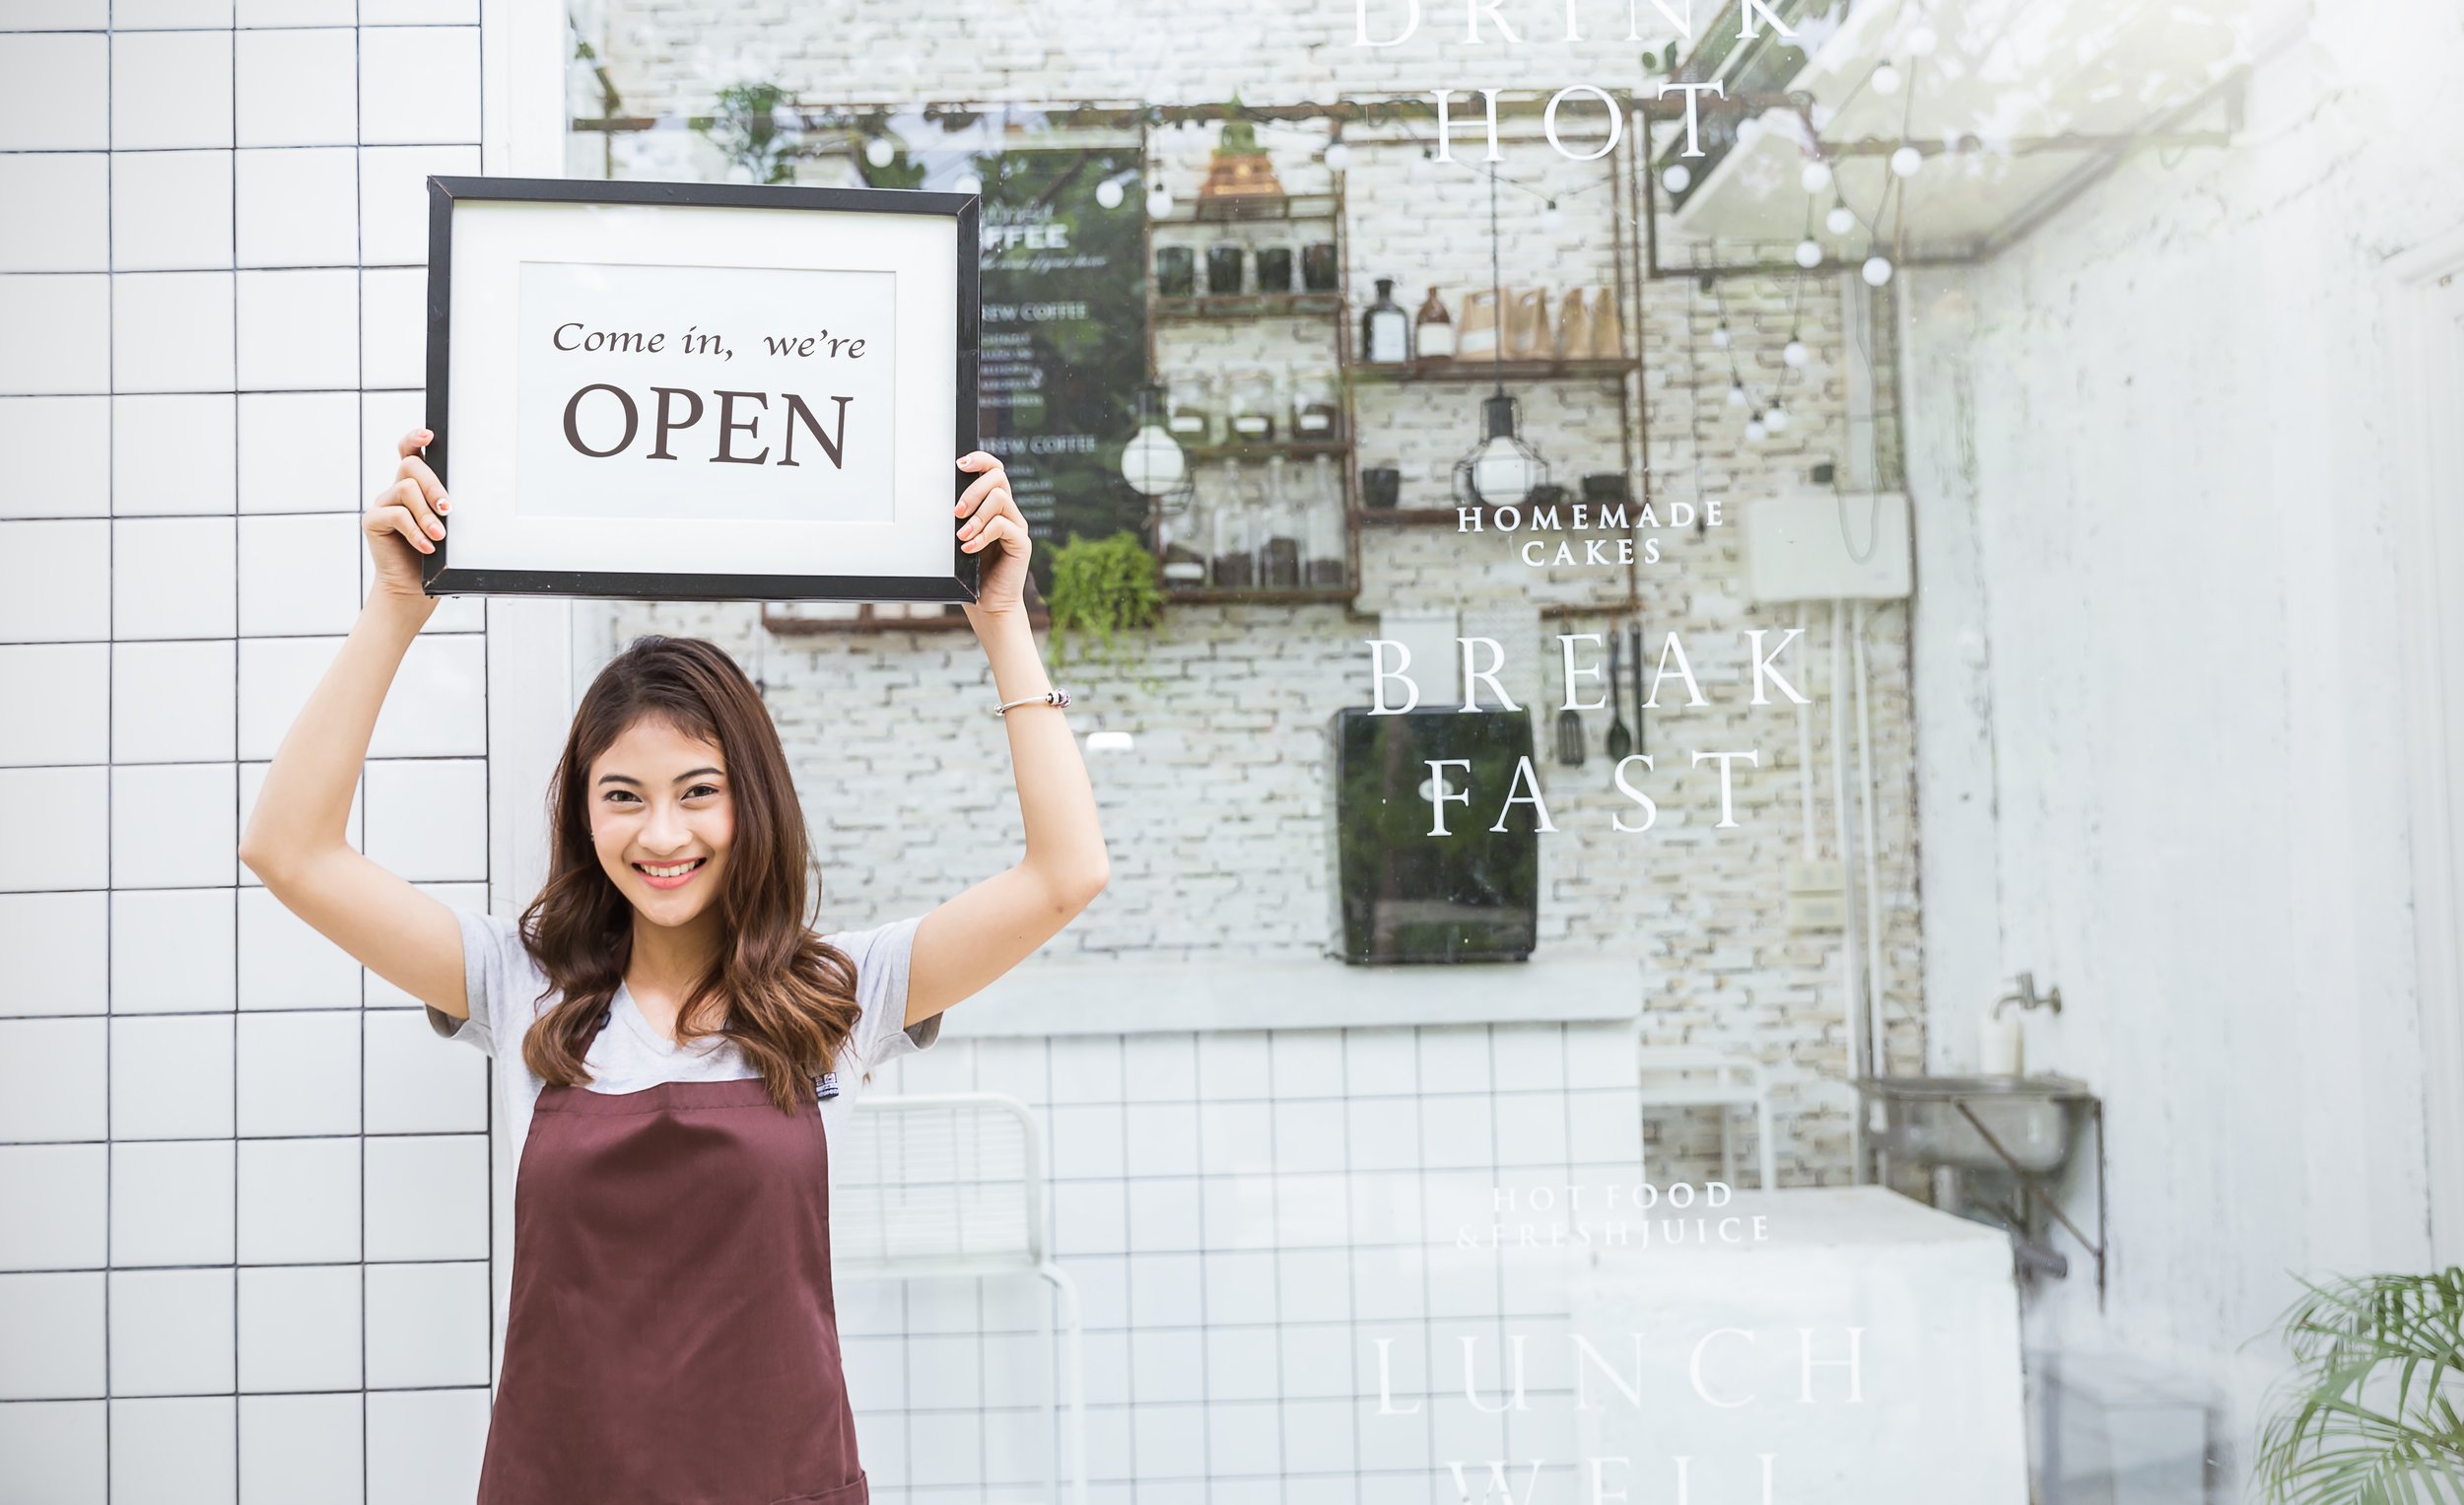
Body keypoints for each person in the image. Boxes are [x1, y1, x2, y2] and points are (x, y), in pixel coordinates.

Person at [238, 428, 1109, 1504]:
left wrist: (1002, 622)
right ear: (583, 810)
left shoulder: (837, 994)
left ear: (754, 799)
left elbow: (1066, 872)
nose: (662, 835)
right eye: (623, 796)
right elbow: (288, 850)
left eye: (699, 791)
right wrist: (395, 610)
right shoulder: (522, 984)